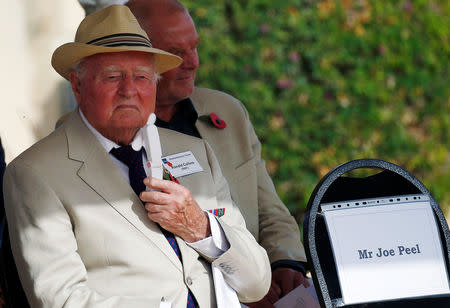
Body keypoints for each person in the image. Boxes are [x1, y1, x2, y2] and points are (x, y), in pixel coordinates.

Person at [3, 5, 270, 307]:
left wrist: (201, 227)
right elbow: (62, 300)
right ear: (78, 86)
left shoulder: (195, 151)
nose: (129, 90)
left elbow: (256, 283)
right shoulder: (35, 172)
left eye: (142, 77)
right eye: (112, 76)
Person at [125, 0, 309, 306]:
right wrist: (238, 289)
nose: (193, 62)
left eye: (194, 47)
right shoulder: (107, 133)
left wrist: (285, 264)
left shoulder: (227, 112)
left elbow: (269, 210)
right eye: (177, 53)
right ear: (139, 58)